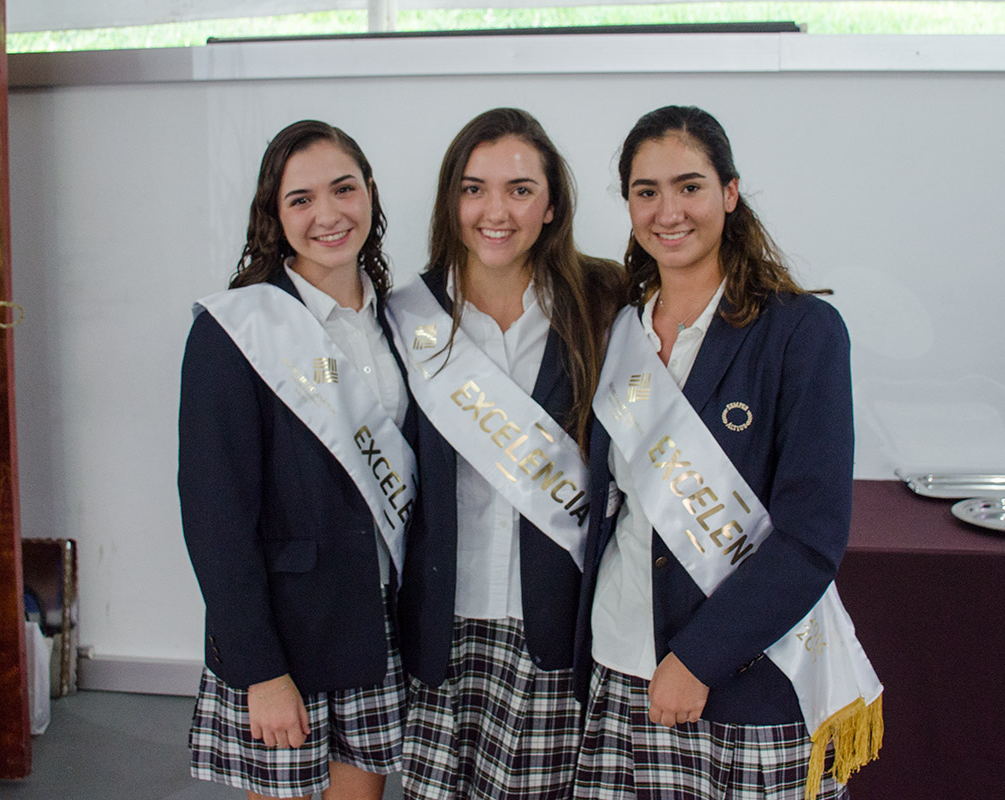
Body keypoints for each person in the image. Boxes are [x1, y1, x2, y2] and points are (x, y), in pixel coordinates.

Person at [573, 105, 882, 800]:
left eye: (689, 186)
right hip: (621, 668)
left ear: (730, 193)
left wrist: (697, 658)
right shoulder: (615, 329)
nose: (668, 210)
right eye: (645, 191)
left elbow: (812, 536)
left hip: (744, 679)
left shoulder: (801, 331)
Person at [386, 107, 623, 800]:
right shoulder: (404, 317)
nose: (496, 210)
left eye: (520, 189)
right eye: (473, 188)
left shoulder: (604, 302)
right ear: (449, 201)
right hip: (440, 626)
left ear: (551, 205)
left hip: (553, 621)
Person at [179, 120, 416, 800]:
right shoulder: (235, 331)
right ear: (275, 217)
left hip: (377, 619)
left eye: (344, 189)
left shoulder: (402, 323)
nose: (328, 215)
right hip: (287, 631)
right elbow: (215, 515)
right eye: (301, 200)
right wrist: (260, 669)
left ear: (370, 192)